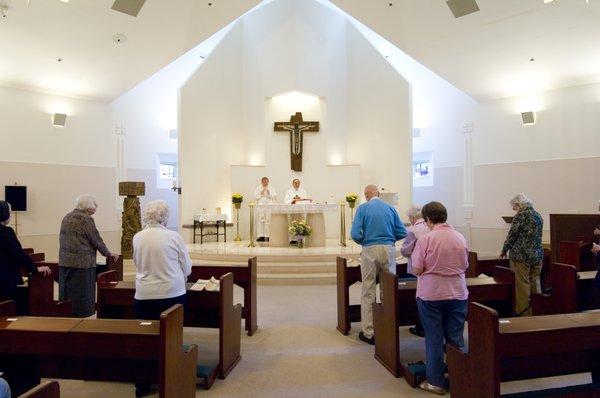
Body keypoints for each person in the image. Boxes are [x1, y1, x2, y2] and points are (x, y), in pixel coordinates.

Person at [132, 200, 192, 398]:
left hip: (144, 295)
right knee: (172, 336)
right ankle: (172, 377)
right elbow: (187, 266)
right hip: (171, 294)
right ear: (165, 217)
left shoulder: (138, 237)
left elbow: (136, 263)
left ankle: (142, 383)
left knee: (145, 338)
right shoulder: (173, 237)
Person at [411, 201, 468, 395]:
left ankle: (435, 382)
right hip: (458, 292)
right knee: (456, 336)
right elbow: (465, 264)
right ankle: (460, 378)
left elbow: (417, 268)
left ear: (427, 219)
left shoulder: (427, 239)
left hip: (432, 293)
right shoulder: (460, 237)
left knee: (434, 338)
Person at [350, 184, 406, 345]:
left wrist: (365, 242)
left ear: (367, 195)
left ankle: (369, 332)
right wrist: (389, 241)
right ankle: (388, 327)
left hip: (370, 249)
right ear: (378, 194)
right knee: (388, 289)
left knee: (368, 289)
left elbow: (354, 233)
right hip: (388, 249)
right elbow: (402, 232)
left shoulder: (363, 208)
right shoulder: (390, 208)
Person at [59, 195, 118, 317]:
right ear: (89, 207)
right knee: (82, 294)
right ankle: (82, 315)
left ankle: (66, 313)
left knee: (67, 292)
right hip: (82, 263)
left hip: (65, 262)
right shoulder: (86, 219)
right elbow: (95, 239)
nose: (96, 210)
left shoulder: (67, 216)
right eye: (95, 207)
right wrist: (108, 253)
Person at [499, 194, 543, 316]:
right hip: (537, 255)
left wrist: (504, 250)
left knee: (522, 287)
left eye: (514, 206)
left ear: (519, 204)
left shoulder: (520, 216)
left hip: (521, 256)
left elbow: (512, 236)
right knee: (535, 283)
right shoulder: (538, 216)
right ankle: (539, 311)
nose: (513, 209)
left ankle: (525, 316)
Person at [0, 201, 51, 302]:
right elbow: (18, 253)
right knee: (6, 311)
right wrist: (34, 269)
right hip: (4, 279)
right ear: (4, 214)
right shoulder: (6, 232)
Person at [399, 205, 430, 337]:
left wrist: (404, 251)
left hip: (417, 268)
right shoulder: (430, 227)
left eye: (409, 217)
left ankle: (421, 326)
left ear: (412, 217)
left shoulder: (412, 229)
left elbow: (406, 250)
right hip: (430, 267)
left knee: (420, 296)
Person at [254, 177, 277, 241]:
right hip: (261, 207)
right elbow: (255, 197)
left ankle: (268, 236)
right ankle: (261, 236)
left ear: (268, 182)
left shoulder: (271, 188)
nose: (265, 183)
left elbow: (274, 196)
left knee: (268, 220)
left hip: (268, 207)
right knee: (260, 222)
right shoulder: (258, 188)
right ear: (261, 182)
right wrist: (260, 193)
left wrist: (270, 194)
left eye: (266, 182)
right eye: (264, 182)